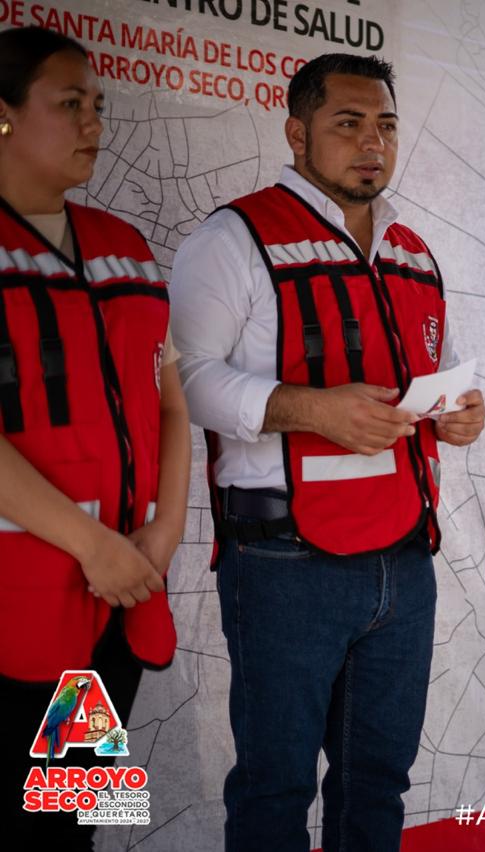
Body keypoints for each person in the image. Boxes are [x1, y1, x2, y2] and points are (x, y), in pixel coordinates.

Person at [169, 53, 485, 851]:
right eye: (348, 123)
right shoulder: (235, 237)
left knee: (378, 784)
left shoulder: (413, 251)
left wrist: (460, 414)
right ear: (297, 132)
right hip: (284, 563)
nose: (372, 142)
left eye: (386, 125)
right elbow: (186, 381)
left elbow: (437, 373)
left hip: (405, 561)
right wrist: (309, 408)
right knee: (275, 789)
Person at [0, 27, 190, 848]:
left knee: (76, 820)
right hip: (18, 607)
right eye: (70, 103)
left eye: (98, 106)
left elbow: (172, 405)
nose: (94, 124)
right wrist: (93, 546)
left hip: (119, 600)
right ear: (4, 115)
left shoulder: (127, 249)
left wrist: (166, 531)